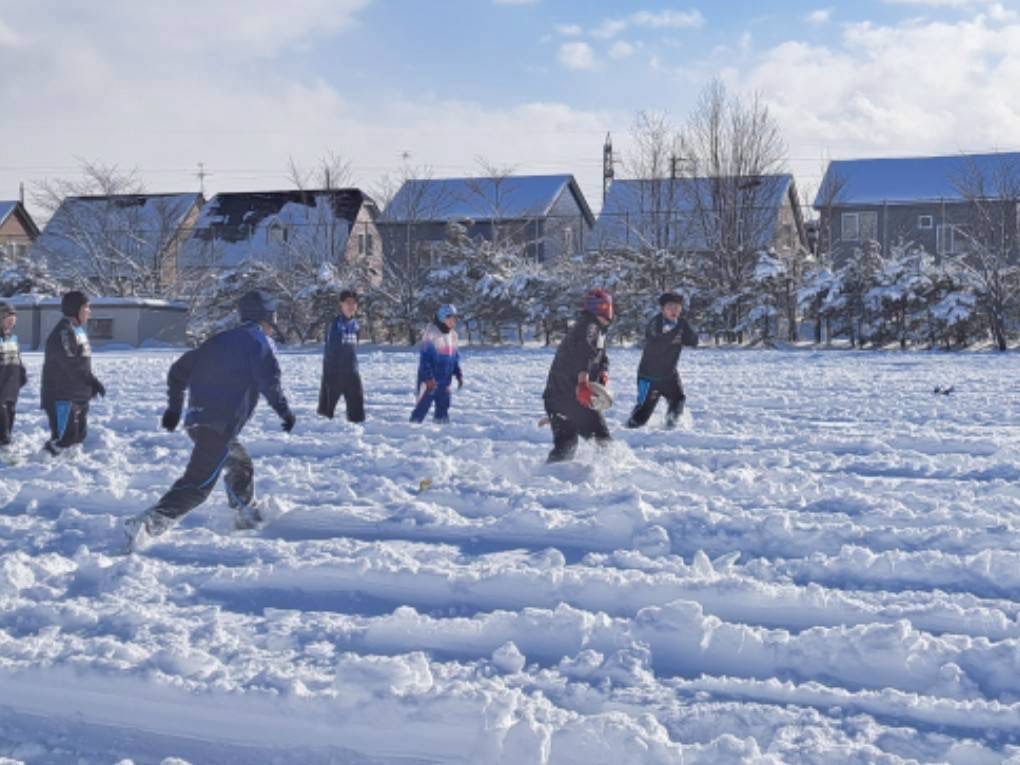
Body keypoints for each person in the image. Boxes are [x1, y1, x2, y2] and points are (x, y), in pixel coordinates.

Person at [123, 290, 296, 546]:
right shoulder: (259, 343)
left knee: (240, 465)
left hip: (198, 421)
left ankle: (246, 516)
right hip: (219, 426)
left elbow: (178, 371)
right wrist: (284, 412)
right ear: (268, 316)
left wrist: (175, 408)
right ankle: (147, 524)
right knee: (198, 485)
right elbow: (270, 383)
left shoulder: (219, 340)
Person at [542, 288, 613, 463]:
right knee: (603, 441)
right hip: (573, 395)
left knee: (565, 446)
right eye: (605, 307)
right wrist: (583, 382)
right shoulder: (589, 326)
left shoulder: (593, 329)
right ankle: (609, 474)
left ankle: (546, 475)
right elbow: (584, 352)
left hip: (556, 398)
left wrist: (603, 373)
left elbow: (600, 356)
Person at [40, 291, 106, 456]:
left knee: (78, 436)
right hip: (61, 396)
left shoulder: (78, 331)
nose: (89, 311)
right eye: (86, 307)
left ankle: (68, 467)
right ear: (74, 309)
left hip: (77, 394)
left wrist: (92, 382)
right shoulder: (64, 332)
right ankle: (42, 462)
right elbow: (70, 365)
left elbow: (82, 364)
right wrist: (90, 381)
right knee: (64, 438)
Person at [626, 292, 698, 430]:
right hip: (649, 376)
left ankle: (671, 427)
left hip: (669, 374)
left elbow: (693, 341)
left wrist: (687, 335)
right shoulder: (655, 323)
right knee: (644, 411)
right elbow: (656, 346)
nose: (674, 311)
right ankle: (630, 430)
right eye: (670, 307)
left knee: (678, 400)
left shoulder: (681, 323)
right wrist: (674, 335)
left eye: (677, 307)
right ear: (663, 309)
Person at [410, 304, 463, 424]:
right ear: (442, 318)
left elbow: (454, 358)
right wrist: (428, 378)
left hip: (445, 379)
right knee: (422, 407)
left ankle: (441, 430)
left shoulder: (453, 335)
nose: (454, 321)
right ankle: (413, 428)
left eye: (455, 318)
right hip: (429, 380)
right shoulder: (432, 333)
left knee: (443, 407)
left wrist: (458, 374)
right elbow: (425, 360)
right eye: (451, 318)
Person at [318, 289, 364, 423]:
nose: (351, 306)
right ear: (341, 304)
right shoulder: (335, 324)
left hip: (352, 372)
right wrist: (329, 374)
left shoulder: (355, 324)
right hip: (334, 373)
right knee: (326, 415)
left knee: (357, 415)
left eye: (354, 303)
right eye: (348, 302)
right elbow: (331, 351)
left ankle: (355, 433)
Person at [0, 302, 28, 448]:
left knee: (10, 412)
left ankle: (6, 439)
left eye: (13, 316)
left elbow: (17, 357)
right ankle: (4, 441)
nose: (11, 319)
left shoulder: (13, 338)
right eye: (7, 316)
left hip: (11, 385)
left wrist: (22, 373)